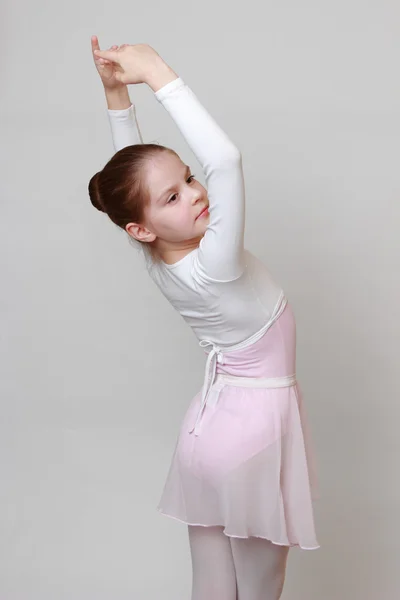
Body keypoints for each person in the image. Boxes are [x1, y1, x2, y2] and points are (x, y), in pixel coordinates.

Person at [89, 37, 320, 600]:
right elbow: (227, 161)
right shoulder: (216, 263)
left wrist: (119, 101)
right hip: (253, 438)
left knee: (213, 589)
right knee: (260, 592)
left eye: (188, 180)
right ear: (143, 227)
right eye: (173, 197)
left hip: (207, 434)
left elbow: (135, 184)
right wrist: (160, 75)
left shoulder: (160, 257)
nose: (195, 194)